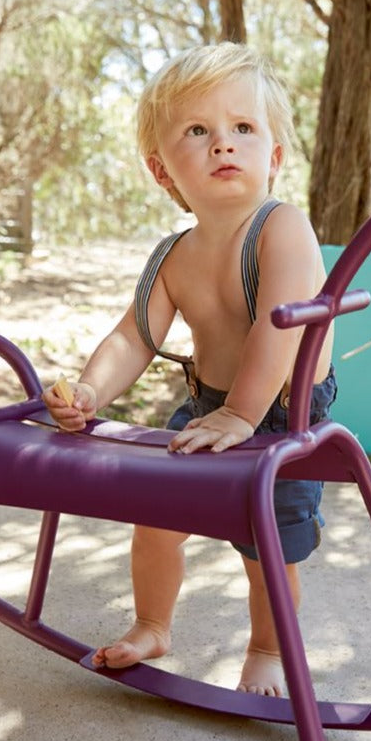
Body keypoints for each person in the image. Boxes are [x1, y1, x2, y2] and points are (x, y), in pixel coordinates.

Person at [42, 43, 335, 697]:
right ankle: (152, 624)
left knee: (269, 547)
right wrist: (90, 389)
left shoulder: (282, 228)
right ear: (162, 170)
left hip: (284, 414)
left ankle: (268, 649)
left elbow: (278, 326)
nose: (222, 144)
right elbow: (133, 336)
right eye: (198, 131)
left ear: (275, 157)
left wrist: (242, 414)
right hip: (211, 406)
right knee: (154, 520)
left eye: (243, 129)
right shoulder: (174, 255)